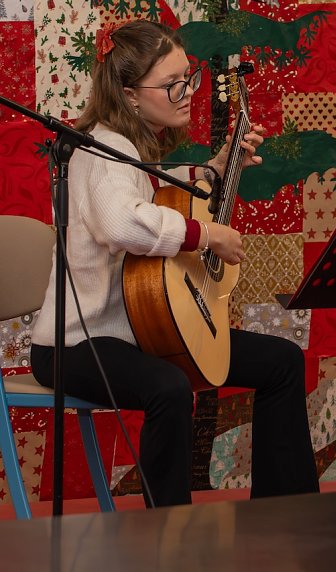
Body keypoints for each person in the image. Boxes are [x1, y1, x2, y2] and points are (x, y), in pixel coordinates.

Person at [30, 19, 319, 507]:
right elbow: (123, 222)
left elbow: (161, 188)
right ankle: (166, 534)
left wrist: (217, 167)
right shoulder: (104, 149)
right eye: (173, 85)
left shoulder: (129, 149)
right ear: (129, 94)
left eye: (190, 78)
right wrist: (208, 234)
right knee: (168, 387)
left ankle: (285, 512)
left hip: (135, 335)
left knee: (282, 361)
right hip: (76, 342)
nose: (188, 93)